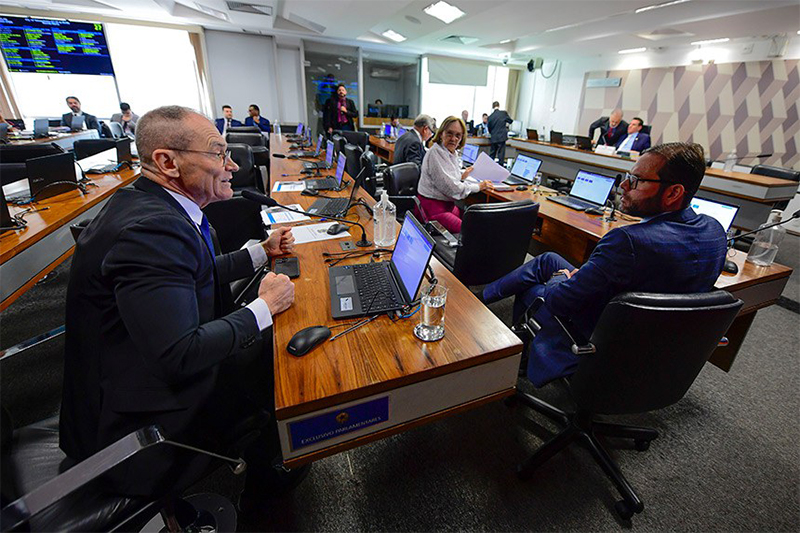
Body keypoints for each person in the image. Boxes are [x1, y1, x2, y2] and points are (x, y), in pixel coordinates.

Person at [59, 105, 301, 504]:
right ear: (167, 161)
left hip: (134, 377)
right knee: (283, 364)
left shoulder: (154, 204)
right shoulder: (152, 230)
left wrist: (260, 252)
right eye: (219, 154)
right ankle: (266, 484)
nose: (233, 167)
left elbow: (194, 270)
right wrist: (263, 307)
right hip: (136, 430)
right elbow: (179, 354)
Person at [482, 142, 727, 386]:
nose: (623, 186)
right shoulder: (715, 232)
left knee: (536, 290)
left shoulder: (627, 241)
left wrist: (564, 278)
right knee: (547, 259)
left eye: (637, 181)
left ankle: (521, 355)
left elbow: (559, 301)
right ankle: (481, 300)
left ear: (674, 193)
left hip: (601, 339)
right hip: (657, 342)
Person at [417, 116, 493, 234]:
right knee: (470, 232)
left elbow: (447, 177)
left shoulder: (450, 152)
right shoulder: (436, 153)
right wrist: (480, 186)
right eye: (449, 134)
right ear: (441, 133)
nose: (453, 138)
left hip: (446, 206)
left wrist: (462, 176)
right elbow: (452, 188)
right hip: (432, 209)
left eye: (458, 135)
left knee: (474, 222)